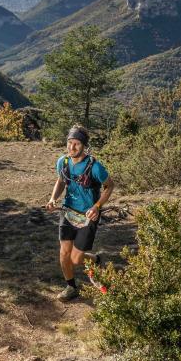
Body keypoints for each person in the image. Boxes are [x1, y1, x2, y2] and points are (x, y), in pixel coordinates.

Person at [46, 125, 114, 301]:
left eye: (77, 144)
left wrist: (97, 206)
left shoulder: (95, 167)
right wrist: (53, 198)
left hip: (87, 216)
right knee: (64, 253)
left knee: (76, 260)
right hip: (67, 212)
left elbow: (109, 185)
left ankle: (94, 259)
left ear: (84, 145)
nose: (72, 147)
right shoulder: (63, 162)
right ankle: (71, 287)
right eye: (70, 143)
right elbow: (61, 181)